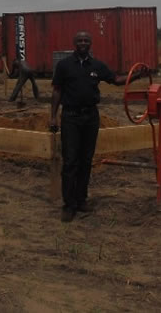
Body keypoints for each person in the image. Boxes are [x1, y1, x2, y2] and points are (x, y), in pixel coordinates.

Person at [49, 31, 136, 222]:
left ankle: (81, 200)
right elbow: (56, 91)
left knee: (86, 160)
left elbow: (116, 80)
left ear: (90, 44)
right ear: (74, 43)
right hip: (70, 117)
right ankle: (68, 205)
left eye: (86, 40)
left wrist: (135, 74)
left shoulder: (97, 66)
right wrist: (53, 117)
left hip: (91, 117)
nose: (82, 43)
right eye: (79, 40)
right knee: (70, 161)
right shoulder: (64, 65)